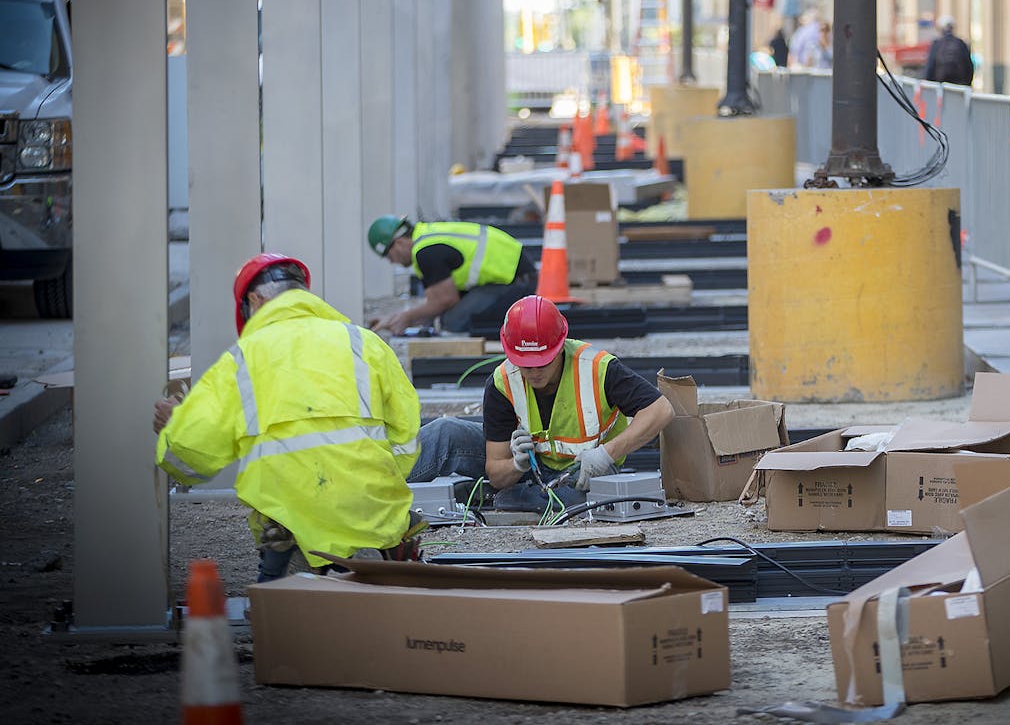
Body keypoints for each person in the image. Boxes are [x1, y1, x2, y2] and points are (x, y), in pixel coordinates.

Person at [153, 254, 423, 581]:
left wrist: (174, 427)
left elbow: (188, 462)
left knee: (277, 614)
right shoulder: (363, 343)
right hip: (370, 505)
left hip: (288, 518)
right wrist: (376, 481)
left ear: (254, 300)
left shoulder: (242, 359)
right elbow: (406, 433)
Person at [410, 294, 674, 512]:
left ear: (560, 348)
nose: (534, 372)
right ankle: (376, 485)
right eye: (525, 364)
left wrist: (607, 454)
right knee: (446, 433)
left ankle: (519, 499)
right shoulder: (503, 382)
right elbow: (497, 472)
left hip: (586, 473)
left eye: (542, 362)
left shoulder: (597, 368)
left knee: (575, 502)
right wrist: (516, 465)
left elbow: (660, 410)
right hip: (530, 470)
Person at [367, 214, 536, 335]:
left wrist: (406, 317)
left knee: (453, 322)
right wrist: (394, 318)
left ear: (398, 243)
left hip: (518, 281)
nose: (391, 261)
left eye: (389, 256)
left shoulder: (426, 252)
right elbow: (436, 301)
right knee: (444, 317)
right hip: (512, 273)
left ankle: (510, 329)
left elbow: (445, 300)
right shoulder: (426, 235)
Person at [924, 16, 974, 85]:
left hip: (941, 85)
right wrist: (968, 84)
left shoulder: (937, 44)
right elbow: (969, 66)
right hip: (959, 85)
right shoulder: (961, 43)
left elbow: (930, 66)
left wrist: (929, 84)